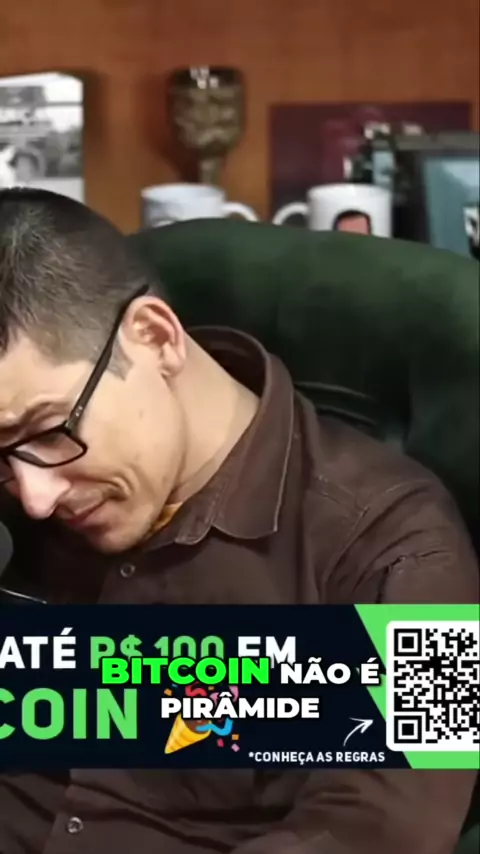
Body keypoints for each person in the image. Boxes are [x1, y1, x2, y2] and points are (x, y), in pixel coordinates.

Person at [0, 187, 477, 854]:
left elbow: (385, 833)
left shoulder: (409, 550)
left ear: (155, 338)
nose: (35, 498)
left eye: (52, 432)